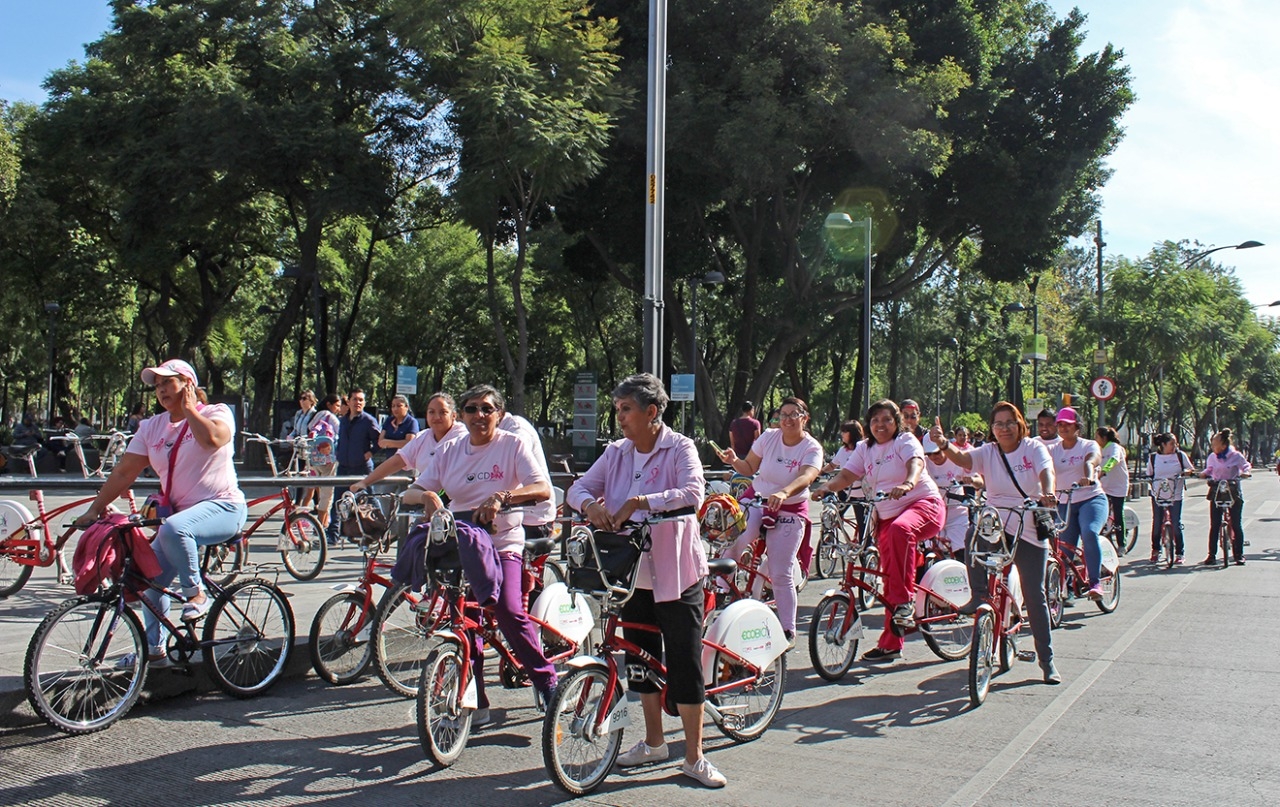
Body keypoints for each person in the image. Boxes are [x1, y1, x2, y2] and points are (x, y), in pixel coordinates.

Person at [567, 373, 724, 788]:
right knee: (638, 656)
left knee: (684, 662)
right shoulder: (616, 452)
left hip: (676, 571)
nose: (619, 417)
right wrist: (589, 505)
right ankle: (654, 741)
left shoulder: (680, 447)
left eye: (626, 409)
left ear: (652, 413)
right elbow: (579, 487)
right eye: (617, 409)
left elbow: (693, 493)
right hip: (630, 572)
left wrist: (641, 502)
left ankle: (694, 756)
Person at [73, 359, 247, 665]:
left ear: (188, 385)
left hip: (224, 507)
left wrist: (192, 410)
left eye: (168, 382)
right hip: (180, 519)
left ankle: (196, 594)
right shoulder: (151, 427)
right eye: (157, 385)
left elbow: (213, 440)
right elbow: (124, 472)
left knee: (174, 528)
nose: (162, 389)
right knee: (147, 581)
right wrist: (94, 510)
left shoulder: (217, 413)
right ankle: (154, 652)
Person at [407, 384, 557, 721]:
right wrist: (427, 497)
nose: (479, 415)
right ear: (462, 416)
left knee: (507, 609)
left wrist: (502, 497)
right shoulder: (450, 450)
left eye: (487, 409)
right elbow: (412, 492)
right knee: (464, 619)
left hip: (503, 543)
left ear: (500, 415)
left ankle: (547, 681)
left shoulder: (512, 445)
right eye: (472, 409)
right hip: (461, 543)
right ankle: (475, 699)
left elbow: (542, 488)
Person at [929, 403, 1061, 684]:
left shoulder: (1034, 448)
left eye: (1009, 422)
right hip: (996, 522)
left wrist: (1048, 493)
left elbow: (1046, 472)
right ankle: (978, 595)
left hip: (1028, 522)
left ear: (1020, 423)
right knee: (972, 534)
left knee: (1034, 594)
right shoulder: (988, 452)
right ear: (992, 428)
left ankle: (1046, 661)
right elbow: (964, 460)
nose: (1004, 428)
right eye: (998, 423)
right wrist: (942, 443)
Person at [814, 399, 945, 662]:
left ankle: (905, 603)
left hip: (923, 505)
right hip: (887, 515)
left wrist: (908, 483)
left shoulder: (905, 442)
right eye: (874, 420)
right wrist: (826, 488)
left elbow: (916, 465)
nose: (880, 425)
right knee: (890, 575)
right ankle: (891, 643)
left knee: (900, 532)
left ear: (897, 422)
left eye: (886, 419)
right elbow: (848, 476)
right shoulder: (864, 448)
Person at [715, 397, 822, 644]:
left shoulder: (811, 447)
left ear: (804, 418)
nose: (786, 419)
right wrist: (733, 461)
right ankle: (722, 588)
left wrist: (784, 492)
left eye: (793, 414)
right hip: (758, 499)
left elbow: (808, 476)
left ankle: (787, 630)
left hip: (790, 508)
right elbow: (749, 467)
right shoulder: (769, 437)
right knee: (736, 541)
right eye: (781, 415)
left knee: (780, 569)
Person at [351, 392, 466, 492]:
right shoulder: (423, 437)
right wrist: (365, 482)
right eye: (431, 412)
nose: (436, 417)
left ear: (454, 415)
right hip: (427, 501)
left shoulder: (463, 437)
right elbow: (397, 461)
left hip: (457, 503)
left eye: (443, 412)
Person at [1050, 407, 1107, 600]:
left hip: (1090, 499)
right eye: (1059, 424)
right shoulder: (1052, 450)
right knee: (1062, 548)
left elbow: (1092, 460)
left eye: (1068, 424)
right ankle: (1063, 588)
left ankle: (1095, 582)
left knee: (1089, 532)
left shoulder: (1088, 445)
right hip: (1064, 503)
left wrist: (1089, 476)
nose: (1063, 427)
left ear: (1077, 426)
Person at [330, 388, 379, 545]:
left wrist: (371, 452)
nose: (358, 402)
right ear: (349, 401)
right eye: (355, 399)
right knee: (338, 501)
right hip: (344, 466)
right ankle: (333, 534)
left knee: (371, 498)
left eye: (361, 400)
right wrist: (338, 452)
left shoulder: (368, 421)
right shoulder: (343, 420)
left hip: (362, 468)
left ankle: (380, 527)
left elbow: (379, 440)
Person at [1201, 427, 1251, 565]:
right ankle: (1211, 555)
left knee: (1236, 523)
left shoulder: (1236, 456)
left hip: (1233, 490)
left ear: (1223, 445)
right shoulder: (1212, 457)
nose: (1212, 447)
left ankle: (1238, 555)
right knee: (1215, 524)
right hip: (1217, 489)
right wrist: (1204, 473)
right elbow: (1209, 469)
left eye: (1214, 444)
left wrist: (1246, 473)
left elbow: (1245, 466)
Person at [1146, 432, 1193, 564]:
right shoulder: (1153, 458)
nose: (1175, 446)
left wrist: (1186, 473)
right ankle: (1156, 550)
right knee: (1157, 524)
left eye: (1175, 443)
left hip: (1175, 495)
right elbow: (1148, 474)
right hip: (1158, 495)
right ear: (1163, 444)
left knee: (1176, 524)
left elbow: (1190, 469)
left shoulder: (1180, 456)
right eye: (1172, 443)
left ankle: (1179, 553)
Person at [306, 394, 342, 530]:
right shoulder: (330, 417)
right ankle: (321, 525)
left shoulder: (315, 416)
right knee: (328, 492)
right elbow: (341, 432)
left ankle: (323, 522)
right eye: (337, 405)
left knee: (318, 489)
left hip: (314, 458)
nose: (338, 408)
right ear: (329, 404)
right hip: (329, 459)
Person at [1095, 426, 1130, 542]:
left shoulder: (1115, 447)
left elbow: (1114, 459)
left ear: (1104, 437)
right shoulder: (1099, 449)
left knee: (1118, 513)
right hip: (1104, 486)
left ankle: (1121, 544)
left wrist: (1105, 470)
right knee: (1100, 512)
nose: (1095, 439)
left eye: (1097, 436)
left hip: (1118, 486)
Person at [376, 394, 419, 463]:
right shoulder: (389, 421)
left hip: (406, 464)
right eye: (393, 406)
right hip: (389, 462)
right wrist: (398, 443)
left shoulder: (412, 422)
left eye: (399, 406)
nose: (395, 409)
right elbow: (381, 442)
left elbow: (409, 444)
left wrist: (388, 443)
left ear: (406, 407)